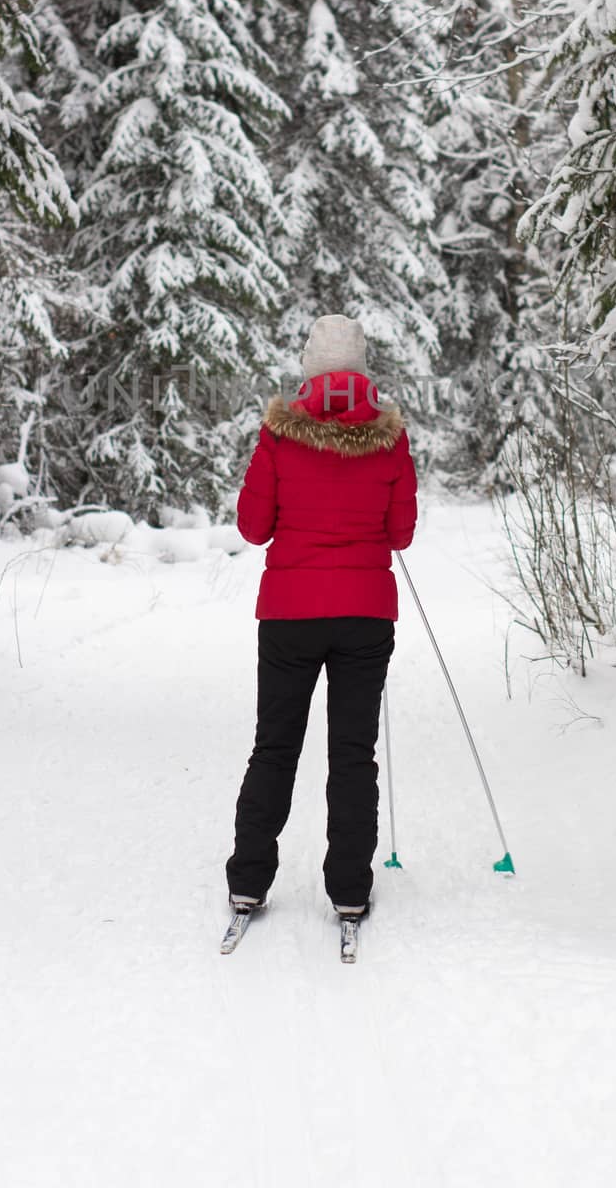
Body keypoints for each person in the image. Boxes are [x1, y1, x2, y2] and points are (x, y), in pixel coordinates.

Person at [225, 314, 417, 922]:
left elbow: (254, 529)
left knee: (274, 748)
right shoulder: (390, 437)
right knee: (352, 754)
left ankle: (249, 882)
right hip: (364, 617)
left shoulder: (278, 435)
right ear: (361, 371)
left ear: (309, 369)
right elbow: (401, 534)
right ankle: (350, 891)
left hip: (289, 617)